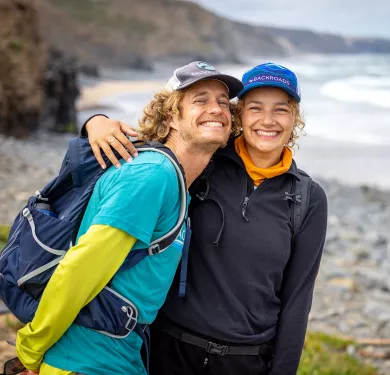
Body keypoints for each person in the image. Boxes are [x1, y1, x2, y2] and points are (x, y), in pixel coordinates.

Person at [84, 62, 328, 375]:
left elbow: (298, 299)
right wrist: (96, 122)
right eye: (255, 108)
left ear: (295, 119)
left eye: (281, 110)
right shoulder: (204, 162)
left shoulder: (307, 198)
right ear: (240, 115)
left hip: (246, 362)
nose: (268, 120)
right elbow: (149, 152)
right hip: (167, 351)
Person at [15, 61, 243, 375]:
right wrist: (29, 350)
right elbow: (81, 268)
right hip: (86, 361)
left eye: (222, 102)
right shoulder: (154, 175)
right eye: (200, 100)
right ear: (169, 117)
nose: (216, 108)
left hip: (117, 357)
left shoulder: (178, 184)